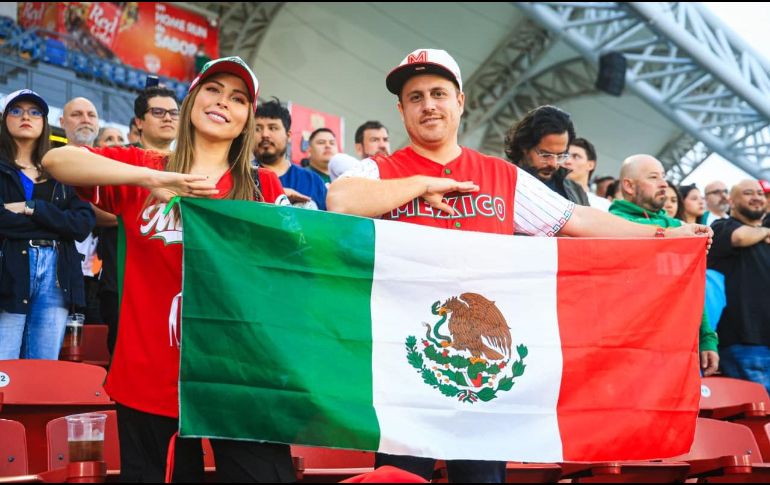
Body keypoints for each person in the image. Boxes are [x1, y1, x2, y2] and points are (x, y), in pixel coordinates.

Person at [327, 48, 712, 483]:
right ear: (401, 109)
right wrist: (424, 183)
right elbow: (339, 202)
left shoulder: (501, 176)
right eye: (415, 97)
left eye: (438, 93)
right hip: (403, 370)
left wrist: (666, 236)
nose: (428, 105)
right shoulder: (379, 170)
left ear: (460, 101)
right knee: (396, 478)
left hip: (482, 374)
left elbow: (577, 220)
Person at [43, 57, 295, 482]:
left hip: (240, 377)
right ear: (193, 99)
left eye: (237, 99)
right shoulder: (143, 169)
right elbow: (57, 163)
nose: (222, 103)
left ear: (247, 119)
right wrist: (148, 179)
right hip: (150, 377)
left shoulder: (262, 187)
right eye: (213, 90)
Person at [0, 89, 95, 359]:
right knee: (3, 368)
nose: (25, 117)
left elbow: (81, 225)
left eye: (34, 112)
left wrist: (33, 208)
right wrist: (55, 222)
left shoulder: (61, 171)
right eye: (16, 111)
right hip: (8, 272)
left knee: (43, 367)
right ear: (5, 119)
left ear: (44, 121)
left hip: (57, 275)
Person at [609, 155, 719, 376]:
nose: (664, 184)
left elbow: (692, 286)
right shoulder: (610, 226)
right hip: (631, 347)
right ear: (628, 185)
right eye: (653, 177)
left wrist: (707, 338)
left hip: (680, 345)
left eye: (664, 177)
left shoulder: (680, 227)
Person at [708, 180, 770, 393]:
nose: (756, 197)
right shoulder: (721, 227)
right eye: (748, 193)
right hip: (743, 342)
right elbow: (741, 236)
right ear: (731, 201)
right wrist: (765, 231)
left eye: (760, 193)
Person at [504, 105, 589, 206]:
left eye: (560, 155)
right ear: (524, 147)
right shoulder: (500, 182)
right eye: (545, 155)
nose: (553, 164)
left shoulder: (576, 191)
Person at [254, 98, 327, 209]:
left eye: (272, 128)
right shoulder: (240, 177)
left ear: (288, 136)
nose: (265, 134)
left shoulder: (313, 181)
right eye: (257, 129)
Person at [564, 137, 611, 210]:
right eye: (565, 156)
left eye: (576, 156)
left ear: (590, 165)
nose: (567, 161)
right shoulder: (550, 195)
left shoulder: (605, 206)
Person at [132, 86, 179, 152]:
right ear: (139, 122)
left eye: (174, 113)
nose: (168, 118)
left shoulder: (187, 161)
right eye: (158, 112)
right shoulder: (117, 157)